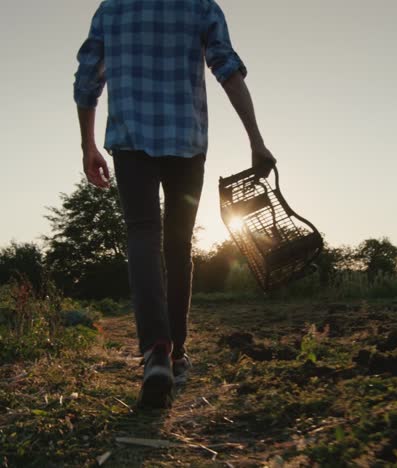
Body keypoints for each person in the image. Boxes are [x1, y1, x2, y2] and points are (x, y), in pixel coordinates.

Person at [73, 0, 276, 409]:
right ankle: (176, 352)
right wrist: (256, 139)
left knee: (143, 234)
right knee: (178, 244)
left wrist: (88, 145)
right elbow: (228, 71)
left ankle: (157, 352)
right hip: (187, 144)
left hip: (130, 145)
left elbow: (86, 81)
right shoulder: (201, 7)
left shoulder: (112, 10)